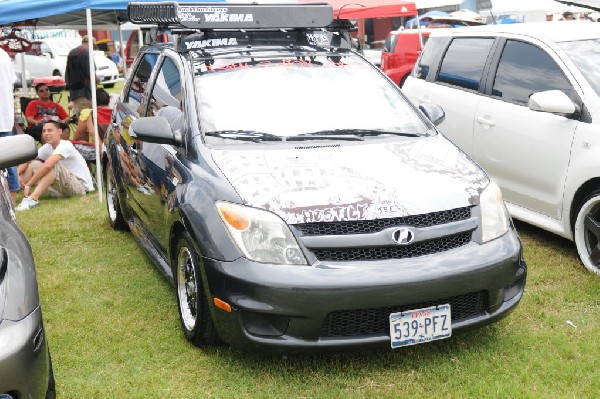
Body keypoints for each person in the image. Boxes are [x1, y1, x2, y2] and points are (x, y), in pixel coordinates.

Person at [16, 120, 94, 211]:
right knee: (33, 164)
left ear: (59, 132)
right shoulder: (48, 147)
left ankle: (33, 199)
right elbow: (29, 159)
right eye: (44, 131)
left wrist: (29, 185)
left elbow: (48, 166)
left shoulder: (65, 145)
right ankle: (16, 194)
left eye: (50, 130)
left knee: (51, 165)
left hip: (80, 188)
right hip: (64, 187)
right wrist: (17, 174)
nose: (46, 133)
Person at [0, 47, 19, 205]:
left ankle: (10, 202)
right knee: (9, 161)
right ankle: (11, 202)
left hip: (3, 117)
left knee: (8, 162)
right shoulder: (4, 55)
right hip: (5, 117)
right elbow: (12, 80)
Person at [65, 35, 98, 117]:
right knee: (86, 117)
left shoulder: (71, 52)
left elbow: (67, 73)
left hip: (74, 93)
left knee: (79, 116)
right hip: (85, 92)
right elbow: (91, 73)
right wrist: (97, 80)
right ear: (91, 44)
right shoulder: (87, 53)